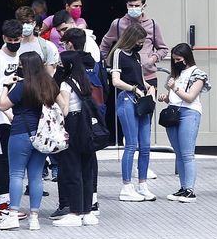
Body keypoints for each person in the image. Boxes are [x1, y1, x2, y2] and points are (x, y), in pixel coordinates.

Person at [0, 51, 67, 230]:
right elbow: (63, 107)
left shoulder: (21, 86)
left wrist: (7, 86)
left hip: (20, 133)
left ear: (24, 67)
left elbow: (2, 105)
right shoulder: (49, 84)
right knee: (36, 177)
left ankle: (13, 216)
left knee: (16, 174)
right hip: (41, 136)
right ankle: (34, 218)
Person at [54, 27, 100, 225]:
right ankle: (88, 211)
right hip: (87, 125)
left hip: (72, 124)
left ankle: (74, 212)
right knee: (87, 167)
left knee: (71, 168)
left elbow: (64, 109)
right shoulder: (85, 80)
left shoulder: (65, 84)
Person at [110, 22, 156, 202]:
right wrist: (134, 88)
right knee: (131, 144)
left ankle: (142, 184)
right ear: (132, 39)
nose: (141, 44)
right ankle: (126, 185)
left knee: (145, 145)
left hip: (141, 99)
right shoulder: (119, 53)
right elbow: (115, 80)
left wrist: (148, 88)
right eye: (139, 40)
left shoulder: (136, 55)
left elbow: (141, 78)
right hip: (127, 99)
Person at [0, 22, 27, 215]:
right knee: (2, 161)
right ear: (3, 38)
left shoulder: (23, 57)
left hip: (19, 115)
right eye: (10, 41)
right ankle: (2, 206)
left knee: (16, 162)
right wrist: (5, 109)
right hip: (0, 116)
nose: (13, 44)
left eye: (16, 40)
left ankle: (12, 203)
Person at [159, 43, 208, 201]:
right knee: (178, 153)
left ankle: (190, 190)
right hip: (173, 113)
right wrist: (165, 97)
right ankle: (183, 187)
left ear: (186, 58)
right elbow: (173, 99)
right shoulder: (175, 75)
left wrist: (174, 88)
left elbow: (190, 97)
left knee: (187, 153)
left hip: (189, 113)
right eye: (173, 59)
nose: (175, 62)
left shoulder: (198, 74)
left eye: (178, 59)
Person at [98, 0, 170, 84]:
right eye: (130, 5)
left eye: (136, 6)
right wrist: (106, 63)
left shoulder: (152, 24)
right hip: (125, 77)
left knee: (148, 98)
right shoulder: (118, 24)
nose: (133, 8)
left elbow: (163, 49)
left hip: (148, 76)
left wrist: (151, 60)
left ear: (144, 6)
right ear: (127, 5)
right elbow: (105, 44)